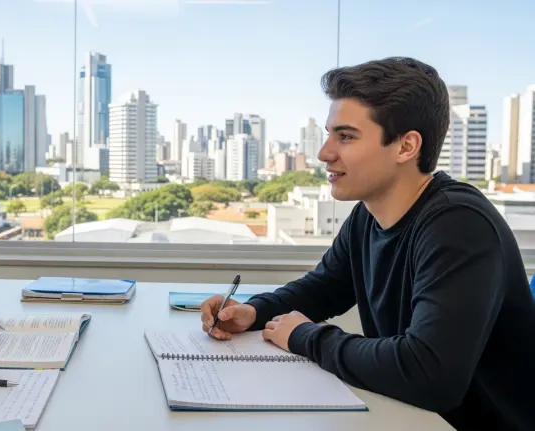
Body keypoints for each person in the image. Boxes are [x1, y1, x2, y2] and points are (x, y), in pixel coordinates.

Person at [201, 57, 535, 430]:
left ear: (406, 146)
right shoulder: (368, 215)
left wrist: (304, 336)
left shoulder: (459, 225)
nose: (325, 153)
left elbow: (430, 374)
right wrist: (253, 312)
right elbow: (325, 287)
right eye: (329, 134)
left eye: (345, 137)